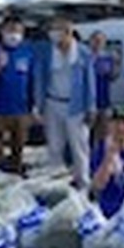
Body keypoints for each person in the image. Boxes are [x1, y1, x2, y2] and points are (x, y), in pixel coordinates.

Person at [34, 16, 96, 188]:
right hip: (52, 103)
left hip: (76, 106)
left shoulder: (83, 53)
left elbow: (90, 82)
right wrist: (38, 106)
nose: (53, 34)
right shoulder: (46, 52)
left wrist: (91, 107)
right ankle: (57, 184)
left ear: (68, 32)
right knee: (54, 146)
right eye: (52, 30)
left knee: (79, 147)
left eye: (57, 30)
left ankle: (83, 183)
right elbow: (39, 79)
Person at [0, 15, 34, 174]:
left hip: (21, 109)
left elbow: (32, 80)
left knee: (18, 150)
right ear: (2, 31)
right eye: (10, 30)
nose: (14, 34)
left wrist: (33, 106)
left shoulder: (27, 52)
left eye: (18, 31)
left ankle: (16, 174)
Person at [89, 31, 118, 145]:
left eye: (101, 41)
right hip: (87, 101)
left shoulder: (108, 58)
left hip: (104, 100)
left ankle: (98, 156)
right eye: (95, 40)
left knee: (103, 132)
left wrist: (116, 63)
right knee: (86, 133)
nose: (98, 43)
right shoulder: (86, 57)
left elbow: (113, 76)